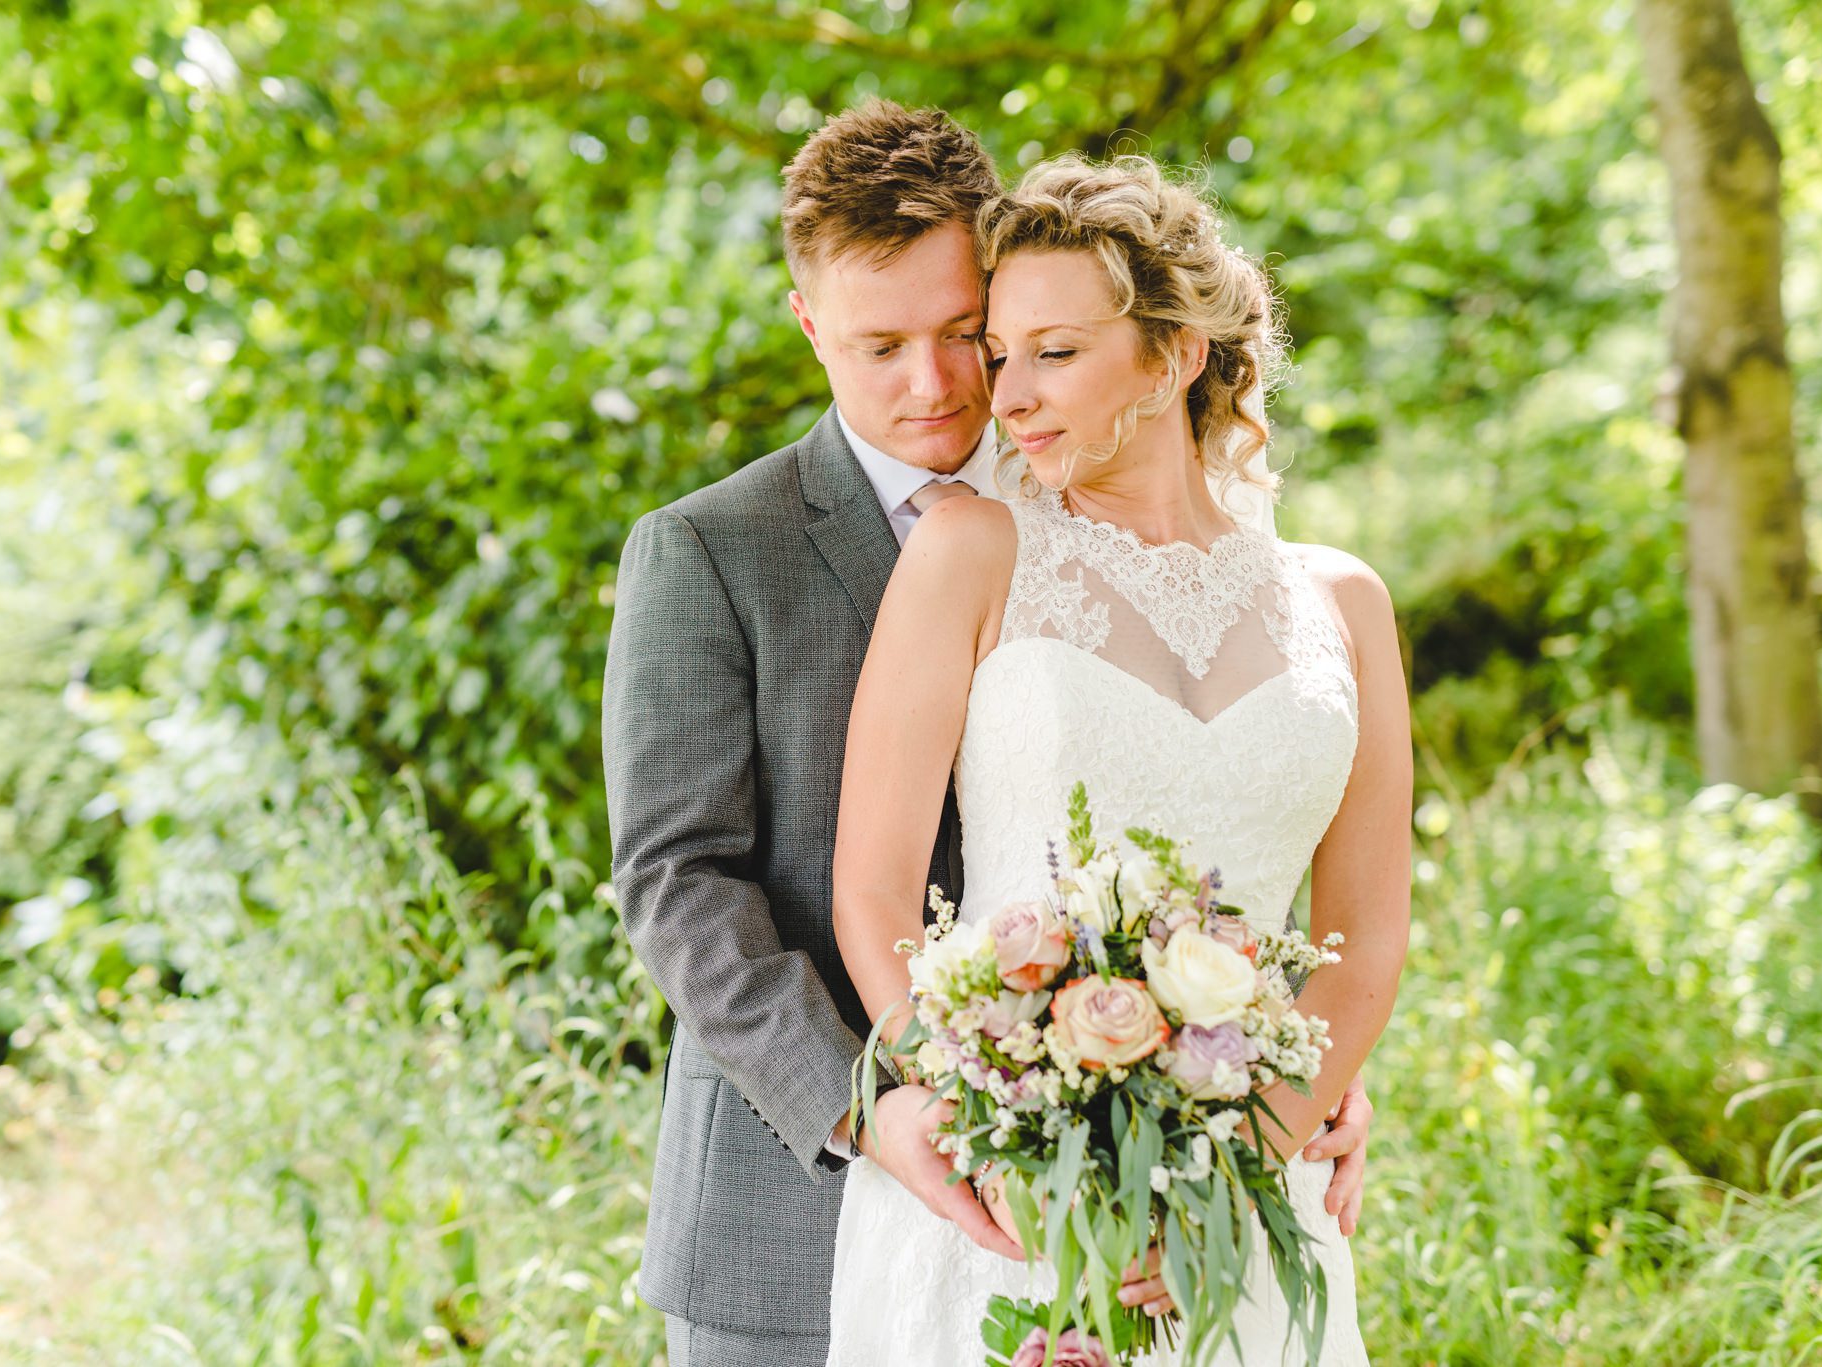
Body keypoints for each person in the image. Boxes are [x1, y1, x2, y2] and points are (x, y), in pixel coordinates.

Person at [603, 102, 1374, 1367]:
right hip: (791, 1207)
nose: (938, 384)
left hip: (1156, 1195)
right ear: (808, 325)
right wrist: (884, 1108)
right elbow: (677, 882)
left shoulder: (1101, 488)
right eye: (879, 344)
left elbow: (1225, 816)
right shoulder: (709, 550)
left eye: (964, 333)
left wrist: (1278, 1071)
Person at [823, 153, 1411, 1364]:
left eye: (1054, 351)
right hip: (1001, 1196)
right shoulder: (969, 551)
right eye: (1001, 356)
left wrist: (1221, 1176)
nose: (1011, 396)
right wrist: (1003, 1136)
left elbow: (1361, 945)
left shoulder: (1342, 604)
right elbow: (873, 891)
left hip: (1243, 1202)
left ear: (1173, 352)